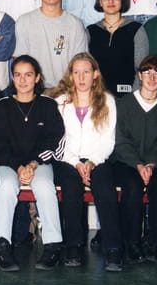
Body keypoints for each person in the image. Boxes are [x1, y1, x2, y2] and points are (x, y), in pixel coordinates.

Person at [0, 55, 65, 271]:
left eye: (28, 75)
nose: (23, 80)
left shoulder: (48, 105)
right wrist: (18, 167)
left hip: (38, 163)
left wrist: (32, 164)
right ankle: (2, 246)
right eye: (18, 75)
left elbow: (55, 140)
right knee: (5, 187)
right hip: (9, 163)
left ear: (37, 77)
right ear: (12, 78)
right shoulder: (3, 105)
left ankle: (52, 245)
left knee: (44, 186)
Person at [49, 53, 116, 268]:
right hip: (67, 160)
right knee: (71, 187)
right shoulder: (60, 102)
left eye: (86, 72)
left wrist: (91, 162)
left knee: (105, 188)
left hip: (98, 159)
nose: (81, 77)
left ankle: (113, 248)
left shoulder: (107, 101)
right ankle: (74, 246)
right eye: (76, 72)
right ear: (70, 75)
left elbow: (108, 140)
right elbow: (57, 140)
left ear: (95, 74)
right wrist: (76, 163)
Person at [112, 55, 157, 263]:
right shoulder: (123, 104)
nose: (152, 77)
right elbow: (120, 140)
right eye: (147, 72)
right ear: (139, 75)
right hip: (127, 163)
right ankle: (132, 243)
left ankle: (156, 244)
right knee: (132, 187)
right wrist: (138, 165)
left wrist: (151, 164)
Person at [14, 0, 88, 90]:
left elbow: (80, 64)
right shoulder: (24, 21)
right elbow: (19, 62)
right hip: (33, 92)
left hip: (67, 91)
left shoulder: (75, 24)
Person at [87, 0, 149, 97]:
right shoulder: (91, 31)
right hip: (97, 97)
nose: (110, 0)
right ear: (100, 1)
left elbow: (141, 70)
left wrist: (132, 99)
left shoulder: (136, 30)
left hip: (127, 97)